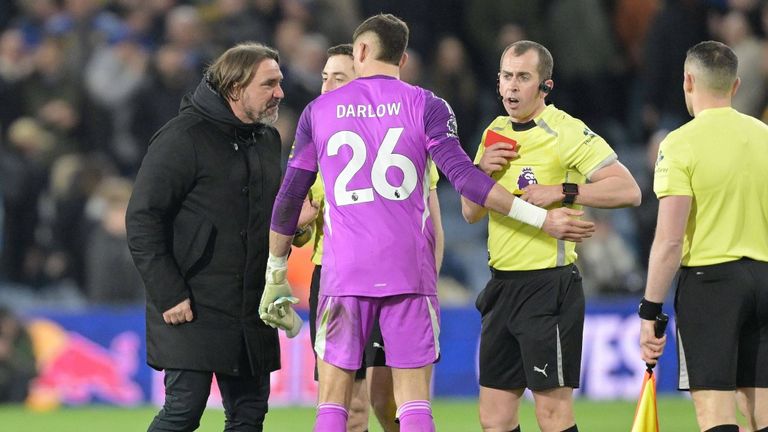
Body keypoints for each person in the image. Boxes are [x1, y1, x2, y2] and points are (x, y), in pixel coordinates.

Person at [260, 15, 594, 432]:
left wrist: (275, 270)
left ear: (360, 51)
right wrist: (540, 218)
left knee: (333, 405)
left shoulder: (318, 111)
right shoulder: (428, 105)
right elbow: (466, 179)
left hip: (342, 273)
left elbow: (289, 197)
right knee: (413, 404)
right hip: (408, 272)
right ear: (402, 58)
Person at [461, 40, 641, 432]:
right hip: (501, 286)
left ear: (545, 86)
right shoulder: (493, 131)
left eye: (523, 77)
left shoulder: (565, 131)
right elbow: (470, 213)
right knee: (494, 419)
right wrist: (482, 170)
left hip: (548, 286)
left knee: (552, 416)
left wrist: (563, 190)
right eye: (506, 76)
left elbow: (629, 190)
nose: (512, 86)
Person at [126, 42, 285, 432]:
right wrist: (168, 292)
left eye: (279, 82)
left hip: (251, 303)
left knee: (249, 416)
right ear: (235, 88)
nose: (280, 93)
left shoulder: (267, 139)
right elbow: (143, 219)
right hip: (192, 301)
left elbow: (265, 213)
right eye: (269, 84)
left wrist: (294, 224)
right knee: (184, 411)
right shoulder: (182, 137)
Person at [293, 43, 444, 432]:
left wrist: (428, 279)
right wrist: (300, 225)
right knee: (353, 406)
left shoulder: (400, 137)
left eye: (338, 78)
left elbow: (432, 223)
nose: (328, 86)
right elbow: (298, 229)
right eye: (324, 78)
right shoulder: (319, 136)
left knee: (385, 401)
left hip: (395, 274)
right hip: (333, 275)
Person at [639, 40, 768, 432]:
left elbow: (670, 241)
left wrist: (650, 311)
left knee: (715, 415)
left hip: (711, 286)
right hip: (764, 279)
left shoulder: (679, 144)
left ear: (688, 81)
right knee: (761, 412)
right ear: (735, 85)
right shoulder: (764, 136)